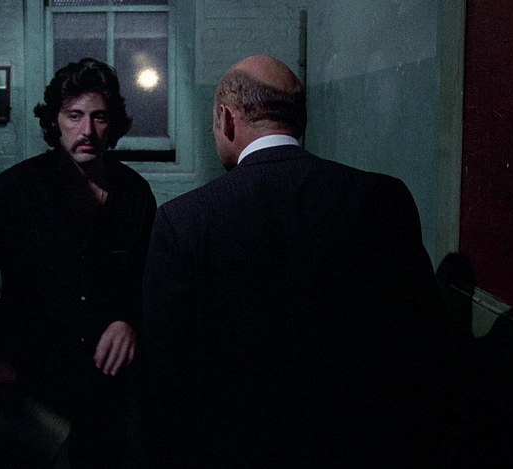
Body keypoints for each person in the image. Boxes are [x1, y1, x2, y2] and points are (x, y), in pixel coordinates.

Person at [139, 55, 454, 467]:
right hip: (360, 447)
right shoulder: (383, 199)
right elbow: (421, 346)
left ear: (227, 119)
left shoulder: (184, 221)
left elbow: (164, 377)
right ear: (300, 120)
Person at [0, 58, 156, 468]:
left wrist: (129, 320)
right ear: (55, 121)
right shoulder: (15, 191)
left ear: (113, 123)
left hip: (108, 384)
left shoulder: (134, 194)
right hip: (32, 380)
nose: (87, 131)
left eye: (99, 117)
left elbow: (151, 279)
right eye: (74, 116)